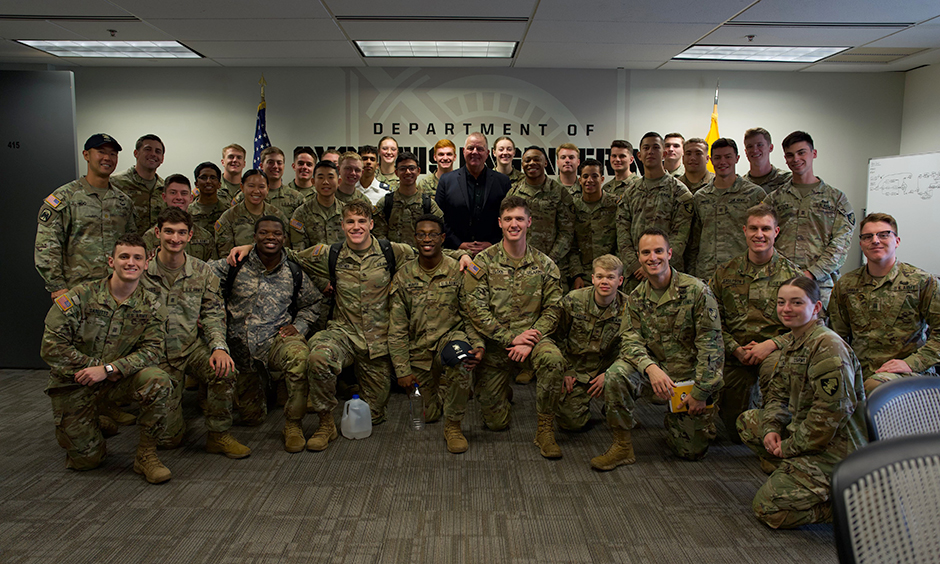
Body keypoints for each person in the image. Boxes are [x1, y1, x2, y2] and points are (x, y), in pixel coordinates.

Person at [40, 233, 174, 484]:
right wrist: (93, 368)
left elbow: (153, 350)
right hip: (74, 383)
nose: (130, 262)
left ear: (147, 263)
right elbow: (51, 346)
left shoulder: (152, 306)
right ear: (111, 261)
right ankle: (95, 421)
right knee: (87, 461)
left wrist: (110, 369)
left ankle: (146, 455)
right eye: (124, 256)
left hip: (116, 380)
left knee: (158, 380)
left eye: (137, 258)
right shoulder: (80, 297)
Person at [737, 277, 866, 529]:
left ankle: (842, 506)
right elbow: (777, 394)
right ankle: (795, 471)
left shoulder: (827, 346)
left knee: (768, 508)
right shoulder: (795, 341)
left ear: (816, 307)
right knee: (749, 422)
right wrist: (773, 428)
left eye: (797, 302)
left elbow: (830, 415)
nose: (786, 309)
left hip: (835, 449)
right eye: (781, 302)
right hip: (805, 431)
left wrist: (790, 447)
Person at [600, 229, 724, 462]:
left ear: (669, 253)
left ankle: (687, 420)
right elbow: (629, 340)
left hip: (688, 379)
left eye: (658, 251)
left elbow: (712, 348)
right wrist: (650, 368)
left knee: (691, 452)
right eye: (646, 252)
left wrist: (701, 392)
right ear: (638, 257)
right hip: (654, 374)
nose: (652, 257)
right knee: (616, 374)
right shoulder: (636, 297)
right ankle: (622, 446)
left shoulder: (697, 291)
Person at [141, 208, 249, 458]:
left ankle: (218, 434)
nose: (174, 238)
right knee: (169, 441)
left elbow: (213, 314)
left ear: (190, 236)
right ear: (158, 233)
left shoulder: (202, 271)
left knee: (224, 369)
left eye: (181, 233)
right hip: (155, 356)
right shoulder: (142, 270)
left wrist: (219, 348)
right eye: (168, 231)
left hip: (190, 349)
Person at [462, 196, 565, 458]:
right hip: (497, 345)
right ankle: (501, 390)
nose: (514, 224)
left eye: (519, 218)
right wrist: (511, 337)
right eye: (508, 219)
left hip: (533, 341)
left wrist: (530, 339)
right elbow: (476, 310)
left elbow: (554, 309)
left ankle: (545, 430)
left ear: (529, 222)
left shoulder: (545, 265)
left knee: (553, 359)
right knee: (496, 424)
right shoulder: (481, 263)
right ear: (499, 223)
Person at [210, 216, 321, 451]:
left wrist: (299, 326)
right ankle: (269, 387)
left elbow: (313, 303)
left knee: (300, 357)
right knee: (252, 418)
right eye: (263, 233)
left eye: (276, 233)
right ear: (254, 237)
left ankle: (293, 425)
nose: (270, 237)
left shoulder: (293, 271)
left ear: (284, 238)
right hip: (239, 348)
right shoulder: (234, 264)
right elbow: (197, 272)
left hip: (274, 342)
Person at [388, 214, 484, 453]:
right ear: (415, 238)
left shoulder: (457, 271)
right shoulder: (403, 276)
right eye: (421, 234)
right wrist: (402, 370)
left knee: (462, 362)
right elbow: (397, 327)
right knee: (427, 414)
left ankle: (453, 426)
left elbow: (469, 314)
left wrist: (478, 345)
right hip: (419, 350)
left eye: (433, 234)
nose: (427, 239)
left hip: (449, 338)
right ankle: (445, 387)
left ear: (442, 238)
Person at [708, 204, 803, 442]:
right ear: (744, 230)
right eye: (753, 228)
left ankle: (776, 434)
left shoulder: (793, 276)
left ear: (776, 232)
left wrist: (771, 345)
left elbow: (810, 326)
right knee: (735, 433)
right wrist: (735, 349)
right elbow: (712, 321)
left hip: (776, 353)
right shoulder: (724, 273)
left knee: (774, 372)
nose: (759, 234)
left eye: (765, 229)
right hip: (735, 353)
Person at [830, 213, 940, 394]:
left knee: (875, 387)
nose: (875, 240)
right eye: (867, 236)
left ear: (896, 241)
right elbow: (838, 336)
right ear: (861, 244)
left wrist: (910, 363)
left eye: (883, 234)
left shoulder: (922, 282)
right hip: (859, 371)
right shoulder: (846, 285)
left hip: (907, 372)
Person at [35, 133, 137, 300]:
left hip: (117, 290)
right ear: (86, 155)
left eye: (113, 154)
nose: (107, 158)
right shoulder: (64, 198)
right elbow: (47, 245)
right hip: (78, 292)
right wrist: (57, 286)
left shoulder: (123, 202)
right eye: (101, 152)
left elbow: (131, 245)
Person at [763, 131, 856, 307]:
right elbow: (764, 239)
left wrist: (812, 273)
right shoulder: (775, 199)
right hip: (780, 282)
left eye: (801, 152)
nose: (796, 159)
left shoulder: (836, 199)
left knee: (819, 333)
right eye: (790, 155)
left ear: (813, 153)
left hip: (820, 285)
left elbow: (841, 244)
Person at [546, 255, 628, 442]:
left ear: (620, 280)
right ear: (592, 278)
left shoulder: (629, 307)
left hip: (610, 367)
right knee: (571, 423)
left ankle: (614, 405)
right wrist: (565, 369)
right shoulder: (573, 301)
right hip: (578, 369)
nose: (604, 282)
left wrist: (611, 374)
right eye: (600, 277)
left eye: (610, 277)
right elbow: (555, 337)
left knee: (635, 374)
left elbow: (632, 347)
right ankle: (586, 403)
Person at [616, 132, 694, 291]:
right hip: (635, 277)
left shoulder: (679, 192)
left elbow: (680, 236)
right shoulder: (629, 193)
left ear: (664, 153)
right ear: (639, 155)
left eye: (656, 147)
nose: (650, 151)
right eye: (646, 148)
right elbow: (622, 234)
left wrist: (656, 264)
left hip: (668, 276)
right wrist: (637, 265)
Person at [687, 138, 765, 280]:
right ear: (710, 160)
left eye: (728, 157)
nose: (722, 162)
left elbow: (764, 238)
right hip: (707, 275)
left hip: (742, 274)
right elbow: (694, 242)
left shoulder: (754, 194)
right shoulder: (700, 197)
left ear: (737, 158)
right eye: (717, 157)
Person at [436, 132, 512, 253]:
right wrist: (458, 244)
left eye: (480, 149)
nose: (475, 152)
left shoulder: (503, 182)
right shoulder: (446, 181)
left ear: (487, 153)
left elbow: (509, 218)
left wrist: (492, 243)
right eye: (470, 148)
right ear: (463, 151)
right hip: (454, 253)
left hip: (494, 253)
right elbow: (438, 219)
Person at [507, 146, 575, 267]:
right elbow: (507, 229)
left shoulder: (559, 192)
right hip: (519, 264)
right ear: (522, 164)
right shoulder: (513, 193)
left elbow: (567, 232)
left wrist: (549, 260)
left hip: (552, 265)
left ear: (545, 163)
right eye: (527, 160)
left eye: (536, 159)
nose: (532, 163)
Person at [372, 151, 445, 245]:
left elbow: (438, 234)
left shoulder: (428, 204)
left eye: (411, 168)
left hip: (421, 257)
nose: (407, 172)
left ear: (418, 171)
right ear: (396, 172)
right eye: (403, 168)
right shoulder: (385, 203)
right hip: (393, 256)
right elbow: (378, 235)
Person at [569, 159, 619, 290]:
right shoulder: (573, 207)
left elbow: (621, 240)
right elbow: (571, 244)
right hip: (583, 274)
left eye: (594, 176)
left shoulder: (615, 204)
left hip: (610, 272)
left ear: (602, 179)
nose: (589, 180)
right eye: (585, 176)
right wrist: (577, 275)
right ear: (579, 180)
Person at [214, 169, 289, 257]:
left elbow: (285, 250)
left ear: (267, 189)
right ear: (242, 187)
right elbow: (225, 255)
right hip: (239, 267)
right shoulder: (229, 217)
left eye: (261, 187)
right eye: (251, 186)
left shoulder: (277, 216)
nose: (256, 191)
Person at [143, 174, 217, 261]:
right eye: (173, 193)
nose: (179, 197)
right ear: (164, 197)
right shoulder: (150, 237)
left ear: (191, 198)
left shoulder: (205, 237)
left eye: (184, 193)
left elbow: (212, 269)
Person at [110, 134, 165, 235]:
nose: (153, 154)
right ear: (136, 153)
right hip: (125, 247)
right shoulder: (115, 183)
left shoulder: (165, 188)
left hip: (155, 248)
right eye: (148, 149)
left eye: (158, 151)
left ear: (162, 158)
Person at [290, 160, 345, 251]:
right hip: (312, 264)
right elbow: (299, 251)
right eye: (320, 177)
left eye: (330, 177)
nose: (325, 182)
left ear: (339, 181)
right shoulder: (301, 213)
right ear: (313, 181)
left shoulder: (347, 212)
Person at [743, 128, 791, 193]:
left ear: (770, 148)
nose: (754, 150)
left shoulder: (788, 180)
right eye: (750, 146)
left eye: (759, 145)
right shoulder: (740, 185)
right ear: (746, 152)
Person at [189, 162, 230, 232]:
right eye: (203, 178)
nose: (208, 181)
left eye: (213, 178)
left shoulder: (228, 212)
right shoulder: (188, 212)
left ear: (219, 184)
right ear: (196, 184)